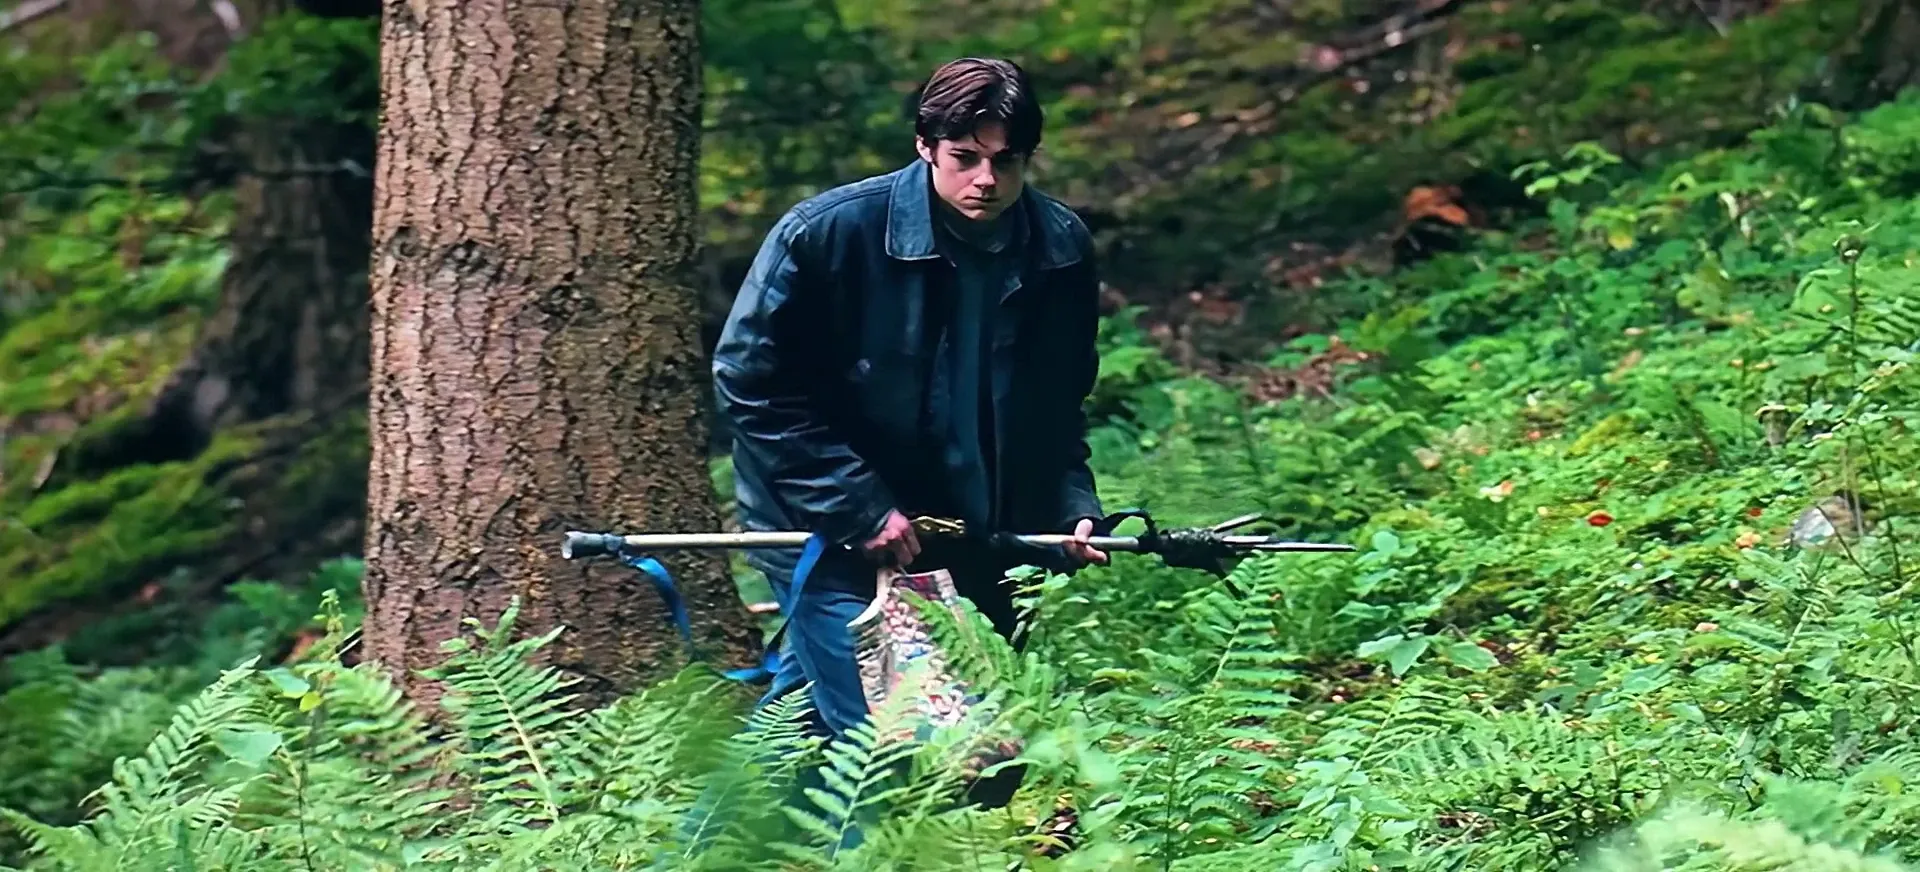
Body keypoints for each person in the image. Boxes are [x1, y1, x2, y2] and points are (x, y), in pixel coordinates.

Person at [710, 56, 1108, 804]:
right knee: (905, 756)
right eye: (965, 158)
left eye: (1006, 161)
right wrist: (856, 506)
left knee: (942, 747)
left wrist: (1070, 507)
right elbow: (750, 380)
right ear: (925, 146)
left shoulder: (1058, 246)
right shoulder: (829, 234)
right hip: (826, 529)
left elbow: (1056, 406)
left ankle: (699, 847)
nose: (985, 180)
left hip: (968, 533)